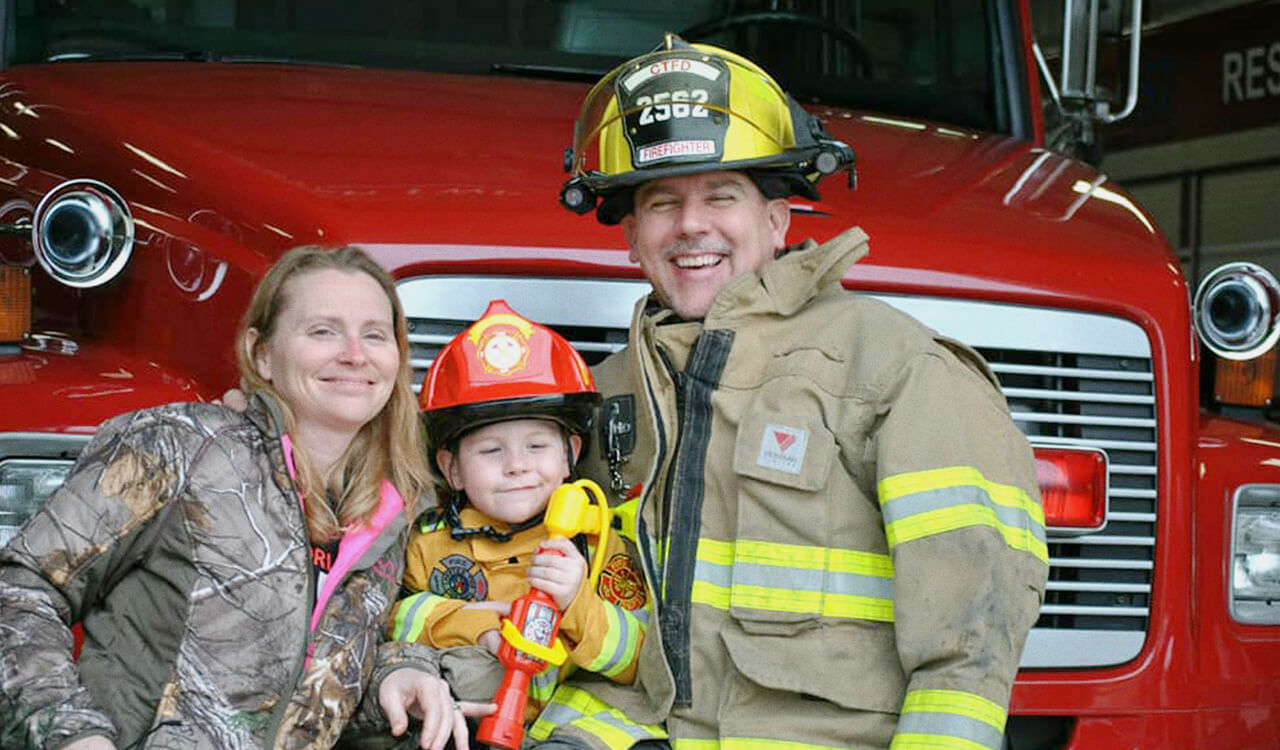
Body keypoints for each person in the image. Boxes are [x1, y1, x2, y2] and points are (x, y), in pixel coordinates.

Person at [531, 34, 1050, 750]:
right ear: (631, 236)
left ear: (777, 221)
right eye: (660, 202)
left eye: (722, 195)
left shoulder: (892, 367)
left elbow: (973, 632)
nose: (690, 225)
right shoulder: (607, 391)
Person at [0, 246, 492, 750]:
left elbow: (300, 692)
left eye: (375, 334)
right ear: (262, 354)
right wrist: (74, 736)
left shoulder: (390, 512)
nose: (355, 354)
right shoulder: (179, 445)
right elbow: (20, 588)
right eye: (323, 331)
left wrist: (396, 679)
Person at [389, 300, 653, 733]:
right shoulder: (427, 542)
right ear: (451, 468)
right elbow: (393, 619)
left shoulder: (598, 545)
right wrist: (479, 625)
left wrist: (577, 603)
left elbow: (640, 658)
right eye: (491, 450)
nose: (516, 465)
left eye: (537, 446)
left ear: (571, 454)